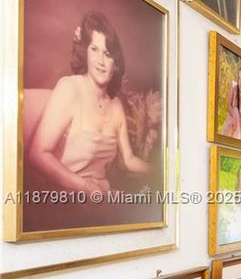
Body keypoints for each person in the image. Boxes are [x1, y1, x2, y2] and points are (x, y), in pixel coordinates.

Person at [29, 12, 150, 194]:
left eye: (107, 54)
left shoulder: (116, 105)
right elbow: (38, 154)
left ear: (116, 63)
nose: (100, 61)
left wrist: (160, 172)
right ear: (85, 52)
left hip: (102, 197)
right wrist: (86, 188)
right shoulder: (70, 89)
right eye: (94, 50)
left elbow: (129, 159)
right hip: (65, 198)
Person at [219, 65, 241, 141]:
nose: (240, 83)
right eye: (239, 79)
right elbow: (228, 105)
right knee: (236, 111)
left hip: (239, 129)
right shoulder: (233, 85)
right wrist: (235, 117)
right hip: (231, 123)